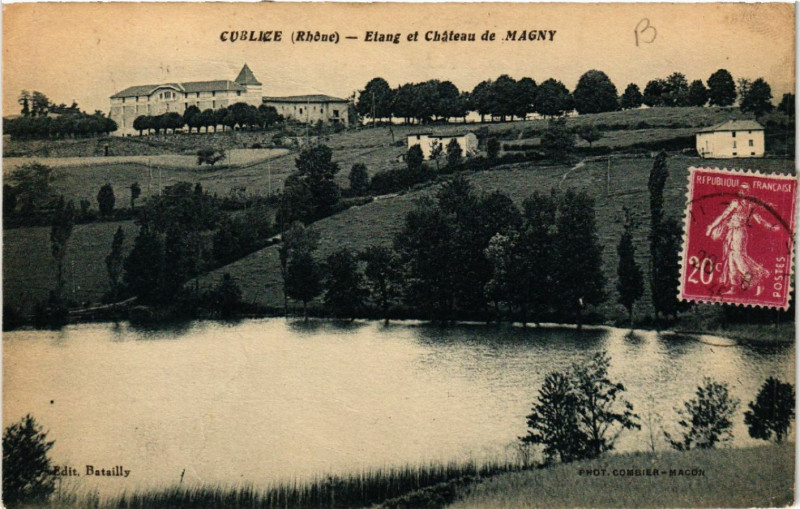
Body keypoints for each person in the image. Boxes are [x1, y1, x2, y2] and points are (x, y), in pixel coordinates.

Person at [705, 183, 779, 295]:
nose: (742, 192)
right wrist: (712, 226)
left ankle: (754, 276)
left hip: (739, 233)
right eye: (741, 190)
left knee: (738, 256)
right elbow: (723, 216)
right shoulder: (737, 203)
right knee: (730, 258)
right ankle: (734, 286)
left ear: (748, 192)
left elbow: (759, 219)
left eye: (744, 191)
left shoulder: (749, 206)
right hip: (731, 233)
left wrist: (771, 227)